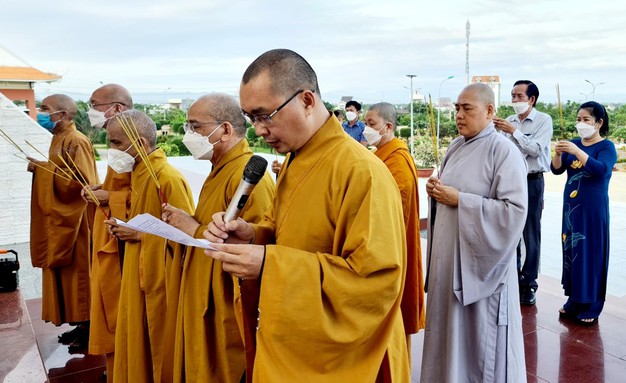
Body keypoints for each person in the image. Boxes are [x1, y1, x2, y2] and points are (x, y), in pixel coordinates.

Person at [202, 49, 409, 382]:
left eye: (264, 115)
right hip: (290, 341)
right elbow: (285, 230)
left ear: (307, 100)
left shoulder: (362, 171)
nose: (258, 129)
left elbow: (376, 283)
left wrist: (269, 264)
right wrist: (253, 235)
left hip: (340, 361)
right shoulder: (299, 159)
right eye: (250, 117)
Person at [161, 93, 276, 383]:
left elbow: (257, 250)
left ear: (225, 129)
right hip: (202, 291)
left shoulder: (248, 176)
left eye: (195, 126)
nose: (189, 134)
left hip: (226, 301)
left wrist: (192, 228)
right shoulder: (221, 168)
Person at [421, 83, 528, 382]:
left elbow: (514, 212)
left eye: (467, 108)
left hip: (481, 272)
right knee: (447, 339)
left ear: (490, 111)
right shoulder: (456, 146)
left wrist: (461, 201)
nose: (459, 114)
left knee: (480, 348)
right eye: (457, 107)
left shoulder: (503, 151)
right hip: (449, 263)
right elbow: (448, 189)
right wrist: (435, 190)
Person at [106, 110, 195, 383]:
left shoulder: (165, 177)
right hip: (138, 268)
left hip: (160, 281)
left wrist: (141, 235)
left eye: (117, 144)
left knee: (158, 342)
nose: (112, 151)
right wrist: (126, 227)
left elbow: (185, 239)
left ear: (141, 144)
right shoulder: (141, 172)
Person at [28, 94, 98, 351]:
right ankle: (80, 325)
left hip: (77, 222)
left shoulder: (77, 140)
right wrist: (43, 168)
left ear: (64, 115)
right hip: (64, 220)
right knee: (66, 277)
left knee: (80, 277)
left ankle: (90, 330)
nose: (40, 112)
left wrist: (45, 173)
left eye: (45, 109)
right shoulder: (59, 137)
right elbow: (63, 173)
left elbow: (81, 183)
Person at [363, 102, 425, 354]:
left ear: (388, 127)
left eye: (371, 125)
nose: (367, 130)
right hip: (381, 248)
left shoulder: (397, 159)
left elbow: (392, 209)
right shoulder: (379, 154)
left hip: (392, 250)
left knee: (395, 326)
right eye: (366, 124)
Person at [82, 84, 133, 381]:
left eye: (94, 104)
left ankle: (125, 368)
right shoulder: (119, 146)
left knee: (119, 312)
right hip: (110, 235)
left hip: (123, 243)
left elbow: (144, 199)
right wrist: (99, 190)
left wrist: (108, 198)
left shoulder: (132, 147)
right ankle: (116, 368)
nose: (91, 111)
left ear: (117, 108)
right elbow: (117, 185)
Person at [550, 101, 617, 326]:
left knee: (592, 253)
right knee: (572, 251)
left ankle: (592, 303)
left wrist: (576, 150)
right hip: (572, 209)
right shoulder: (573, 143)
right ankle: (575, 298)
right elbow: (557, 169)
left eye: (586, 120)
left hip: (593, 210)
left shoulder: (606, 147)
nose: (581, 124)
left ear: (599, 123)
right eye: (578, 119)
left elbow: (600, 170)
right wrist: (558, 153)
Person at [493, 80, 553, 305]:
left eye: (519, 96)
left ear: (532, 99)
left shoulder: (543, 120)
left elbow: (536, 150)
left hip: (531, 181)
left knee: (530, 233)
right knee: (509, 229)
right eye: (512, 96)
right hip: (509, 180)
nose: (514, 100)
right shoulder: (506, 121)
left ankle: (529, 283)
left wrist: (514, 132)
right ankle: (512, 277)